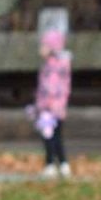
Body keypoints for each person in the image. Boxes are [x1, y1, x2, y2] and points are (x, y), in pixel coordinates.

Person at [30, 28, 73, 179]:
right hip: (53, 108)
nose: (41, 49)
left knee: (49, 136)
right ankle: (62, 164)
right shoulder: (53, 65)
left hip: (50, 109)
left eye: (44, 45)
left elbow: (51, 88)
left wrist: (44, 106)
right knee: (54, 136)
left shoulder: (54, 66)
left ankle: (51, 164)